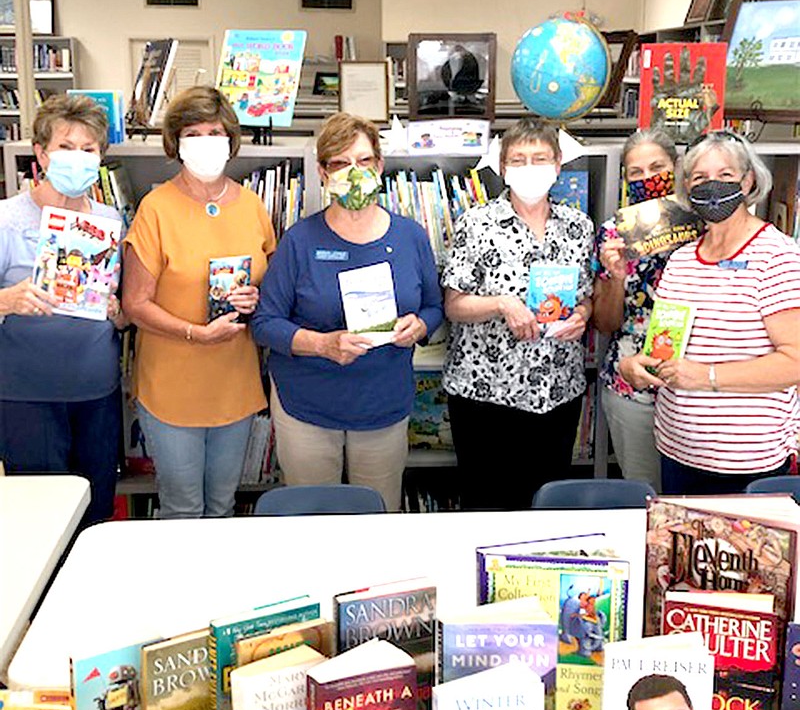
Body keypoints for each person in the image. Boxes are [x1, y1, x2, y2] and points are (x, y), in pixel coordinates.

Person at [251, 113, 443, 512]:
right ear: (322, 172)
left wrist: (421, 324)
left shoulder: (410, 236)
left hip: (382, 404)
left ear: (380, 165)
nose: (353, 173)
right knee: (311, 519)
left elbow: (434, 305)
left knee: (377, 514)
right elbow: (264, 323)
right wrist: (322, 344)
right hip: (307, 407)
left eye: (363, 161)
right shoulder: (300, 240)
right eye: (339, 163)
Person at [620, 131, 800, 495]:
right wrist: (635, 367)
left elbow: (795, 362)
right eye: (700, 178)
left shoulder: (777, 256)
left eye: (726, 176)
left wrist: (706, 377)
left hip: (748, 462)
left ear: (748, 181)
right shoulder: (683, 259)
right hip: (676, 450)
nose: (712, 186)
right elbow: (665, 347)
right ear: (686, 185)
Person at [122, 86, 273, 518]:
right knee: (183, 508)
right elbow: (135, 303)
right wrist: (195, 333)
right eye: (194, 132)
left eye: (215, 131)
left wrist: (256, 298)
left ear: (230, 138)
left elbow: (272, 281)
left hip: (234, 382)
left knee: (223, 505)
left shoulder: (252, 206)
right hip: (172, 385)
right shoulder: (156, 208)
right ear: (176, 143)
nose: (207, 141)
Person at [442, 117, 594, 510]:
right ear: (503, 168)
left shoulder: (579, 227)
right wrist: (500, 304)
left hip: (556, 392)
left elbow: (586, 297)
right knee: (487, 505)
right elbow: (453, 305)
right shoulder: (476, 224)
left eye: (540, 158)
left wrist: (582, 315)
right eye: (519, 159)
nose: (530, 168)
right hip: (486, 395)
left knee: (544, 507)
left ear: (558, 166)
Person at [0, 94, 125, 526]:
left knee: (97, 509)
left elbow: (124, 306)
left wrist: (116, 309)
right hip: (27, 396)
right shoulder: (6, 219)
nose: (78, 158)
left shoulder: (110, 219)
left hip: (97, 391)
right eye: (65, 147)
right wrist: (6, 299)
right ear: (40, 153)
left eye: (88, 150)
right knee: (41, 516)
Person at [592, 129, 680, 491]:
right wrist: (614, 275)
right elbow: (606, 324)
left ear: (677, 168)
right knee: (645, 494)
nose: (648, 178)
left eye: (657, 167)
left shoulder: (706, 227)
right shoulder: (614, 232)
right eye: (636, 172)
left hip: (698, 389)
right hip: (633, 386)